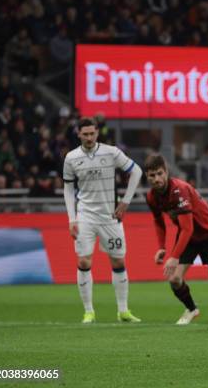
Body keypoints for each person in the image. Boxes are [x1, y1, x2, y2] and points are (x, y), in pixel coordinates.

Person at [144, 154, 208, 325]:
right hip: (189, 238)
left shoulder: (178, 190)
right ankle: (191, 309)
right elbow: (158, 221)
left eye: (160, 173)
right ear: (147, 176)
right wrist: (161, 246)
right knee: (175, 279)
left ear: (167, 172)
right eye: (152, 176)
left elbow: (187, 228)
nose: (157, 179)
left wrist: (174, 257)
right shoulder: (152, 196)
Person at [63, 117, 143, 324]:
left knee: (117, 261)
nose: (89, 137)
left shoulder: (111, 152)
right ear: (78, 134)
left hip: (110, 217)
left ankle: (123, 311)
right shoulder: (71, 158)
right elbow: (68, 189)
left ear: (97, 133)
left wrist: (125, 202)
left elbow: (137, 171)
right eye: (85, 134)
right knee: (83, 261)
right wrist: (72, 218)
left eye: (92, 133)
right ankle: (89, 312)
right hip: (85, 216)